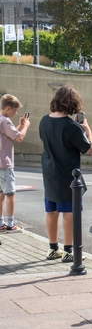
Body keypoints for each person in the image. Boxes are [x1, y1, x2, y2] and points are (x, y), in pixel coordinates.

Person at [39, 84, 92, 262]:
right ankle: (70, 250)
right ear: (72, 104)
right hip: (68, 174)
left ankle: (52, 248)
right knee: (69, 213)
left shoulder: (43, 121)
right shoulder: (71, 126)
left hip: (49, 172)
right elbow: (88, 149)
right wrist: (87, 130)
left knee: (51, 211)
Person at [0, 94, 31, 232]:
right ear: (8, 108)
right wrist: (26, 126)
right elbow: (19, 138)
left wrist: (19, 125)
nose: (16, 112)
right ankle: (10, 224)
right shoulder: (5, 121)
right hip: (5, 163)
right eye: (14, 110)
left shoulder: (1, 120)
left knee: (0, 194)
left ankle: (1, 223)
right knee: (10, 194)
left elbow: (11, 134)